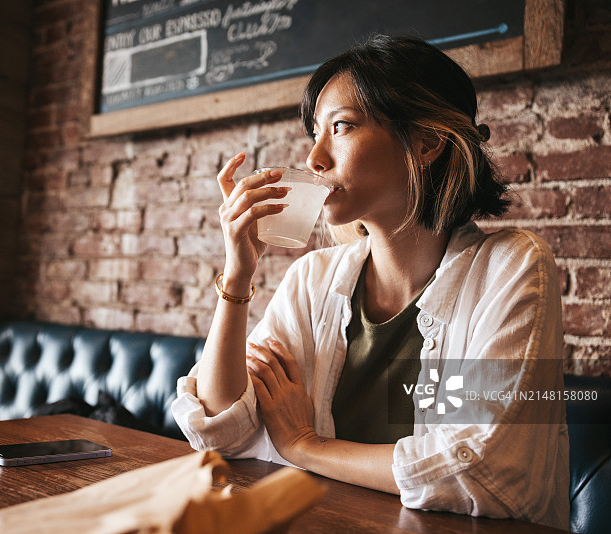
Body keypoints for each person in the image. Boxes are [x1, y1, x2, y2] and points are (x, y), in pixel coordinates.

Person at [171, 34, 569, 529]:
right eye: (314, 132)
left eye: (341, 126)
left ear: (426, 143)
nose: (315, 158)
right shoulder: (313, 279)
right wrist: (237, 276)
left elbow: (479, 468)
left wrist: (306, 446)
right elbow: (220, 430)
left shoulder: (510, 268)